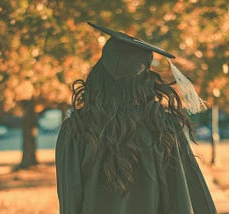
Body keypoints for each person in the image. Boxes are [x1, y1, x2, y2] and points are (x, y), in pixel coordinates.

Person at [55, 22, 217, 214]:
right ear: (146, 80)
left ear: (98, 76)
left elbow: (70, 201)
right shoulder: (164, 128)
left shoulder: (76, 130)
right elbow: (183, 196)